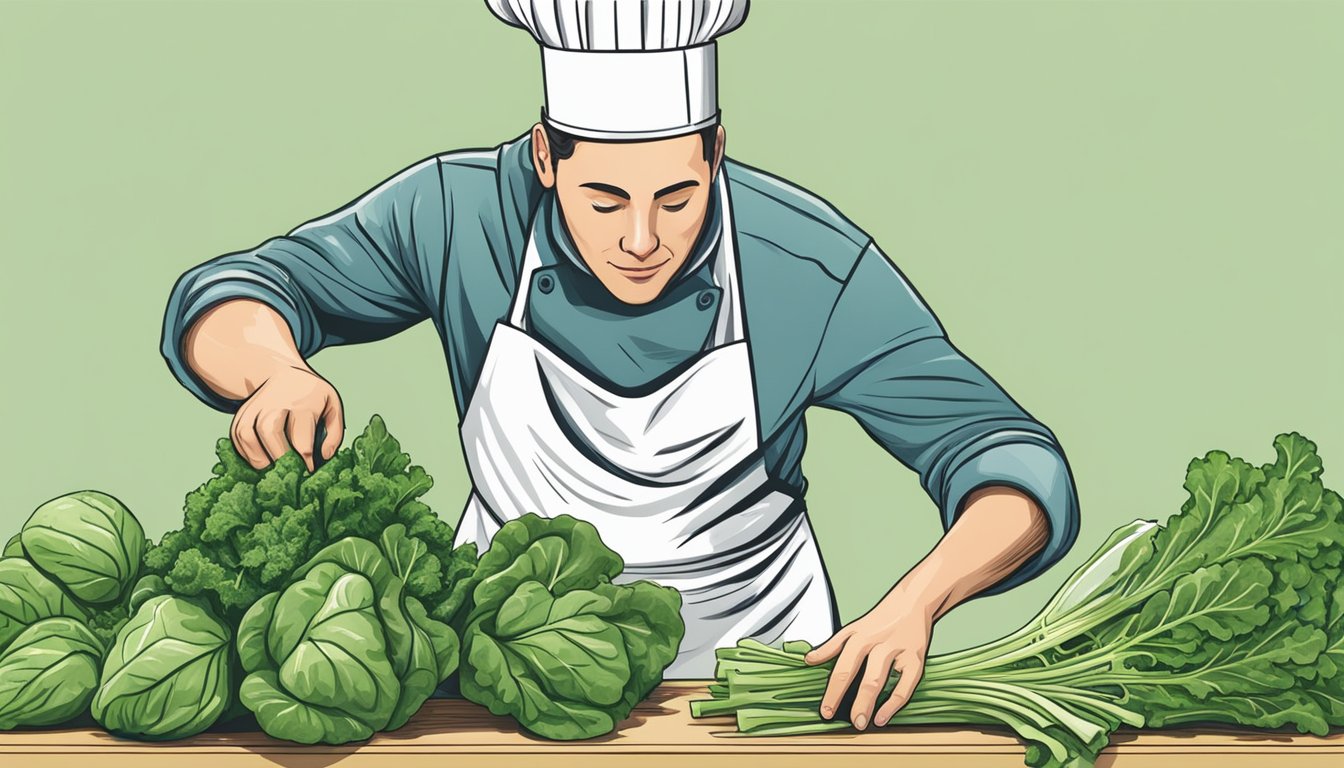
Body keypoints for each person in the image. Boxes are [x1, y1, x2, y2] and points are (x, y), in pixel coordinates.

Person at [161, 0, 1079, 732]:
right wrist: (273, 369)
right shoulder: (460, 215)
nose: (642, 241)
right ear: (545, 157)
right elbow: (241, 291)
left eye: (677, 197)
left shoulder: (804, 264)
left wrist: (916, 603)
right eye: (605, 199)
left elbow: (1011, 464)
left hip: (754, 693)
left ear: (716, 151)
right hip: (506, 683)